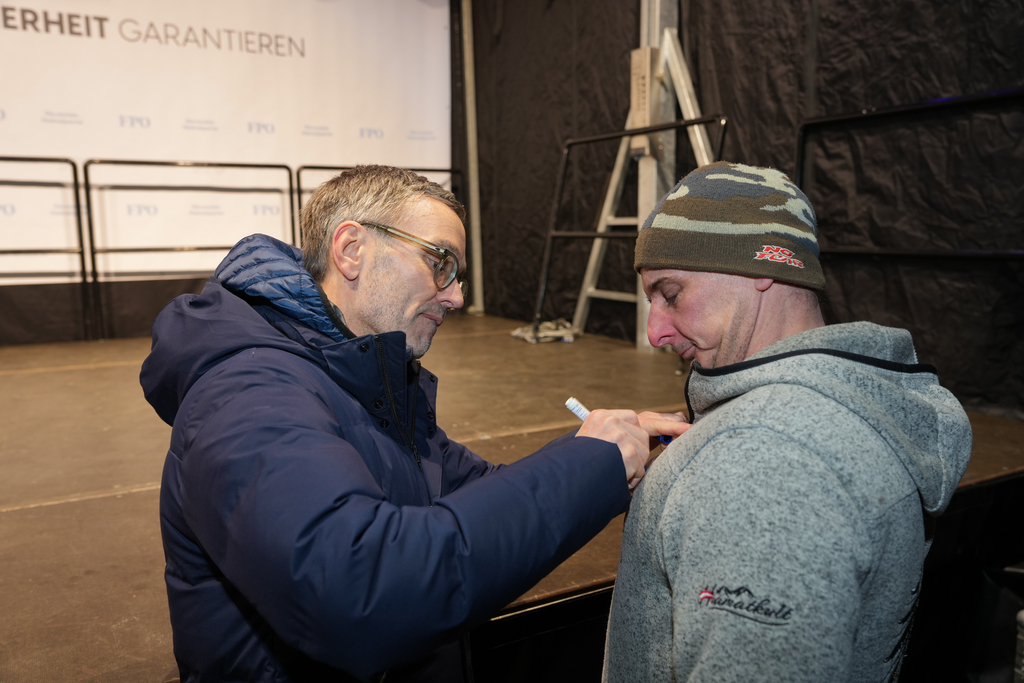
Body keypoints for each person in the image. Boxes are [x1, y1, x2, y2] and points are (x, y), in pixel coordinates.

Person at [140, 165, 687, 683]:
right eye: (439, 262)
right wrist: (593, 460)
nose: (457, 295)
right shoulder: (248, 395)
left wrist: (611, 452)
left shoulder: (357, 375)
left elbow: (477, 488)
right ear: (351, 250)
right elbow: (362, 594)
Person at [602, 161, 972, 682]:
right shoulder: (834, 412)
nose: (654, 332)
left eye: (672, 293)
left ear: (762, 265)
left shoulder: (766, 462)